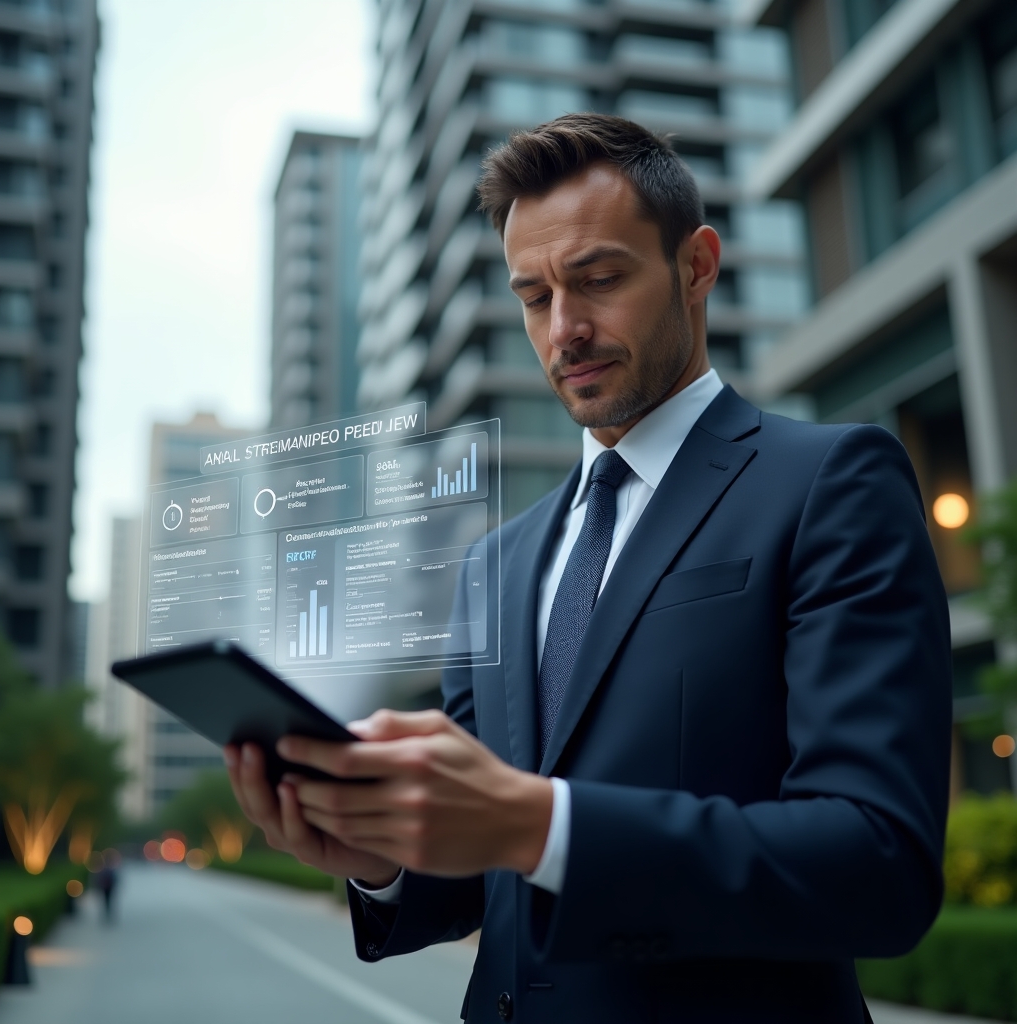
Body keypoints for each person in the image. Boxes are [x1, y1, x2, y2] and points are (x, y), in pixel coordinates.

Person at [226, 113, 952, 1023]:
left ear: (697, 266)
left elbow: (878, 861)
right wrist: (379, 858)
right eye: (534, 297)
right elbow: (483, 876)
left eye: (599, 280)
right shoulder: (496, 563)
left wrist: (538, 822)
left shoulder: (830, 482)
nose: (564, 329)